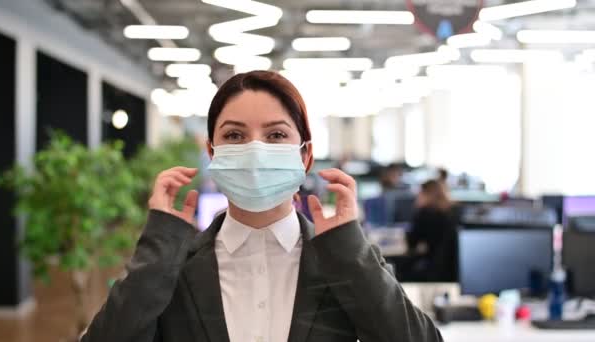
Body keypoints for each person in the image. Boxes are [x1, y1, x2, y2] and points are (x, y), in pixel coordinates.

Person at [81, 71, 442, 342]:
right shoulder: (175, 265)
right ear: (212, 152)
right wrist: (159, 242)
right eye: (235, 135)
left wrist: (350, 250)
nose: (255, 151)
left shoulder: (342, 261)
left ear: (306, 156)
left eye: (276, 135)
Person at [407, 180, 459, 282]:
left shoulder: (425, 213)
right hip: (454, 270)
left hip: (433, 269)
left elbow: (411, 243)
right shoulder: (454, 211)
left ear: (425, 194)